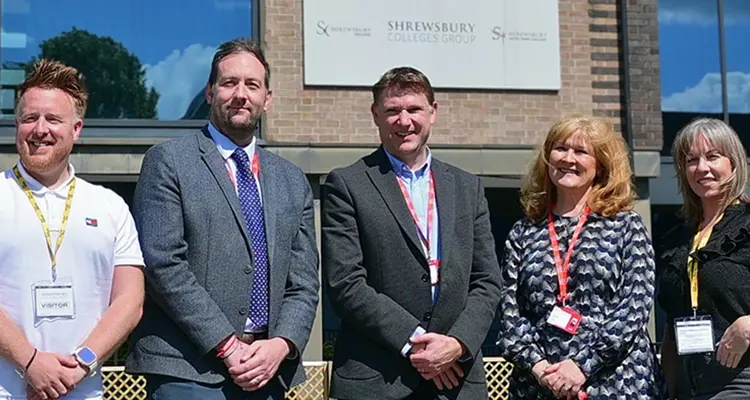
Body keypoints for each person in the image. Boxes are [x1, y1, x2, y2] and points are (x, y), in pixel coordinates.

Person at [125, 38, 320, 400]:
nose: (241, 94)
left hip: (267, 372)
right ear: (211, 92)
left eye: (252, 85)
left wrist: (281, 344)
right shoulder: (169, 161)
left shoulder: (292, 180)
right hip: (189, 372)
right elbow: (163, 264)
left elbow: (304, 282)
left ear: (268, 98)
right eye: (230, 83)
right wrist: (227, 346)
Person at [321, 66, 502, 400]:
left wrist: (457, 344)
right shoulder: (347, 184)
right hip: (377, 379)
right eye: (392, 111)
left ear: (433, 113)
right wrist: (415, 343)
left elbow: (487, 282)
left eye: (414, 109)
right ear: (376, 115)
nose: (404, 121)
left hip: (456, 379)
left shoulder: (468, 188)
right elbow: (345, 283)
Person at [0, 59, 145, 400]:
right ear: (16, 125)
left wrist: (79, 366)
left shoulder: (109, 206)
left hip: (83, 391)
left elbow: (130, 300)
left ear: (77, 129)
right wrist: (30, 362)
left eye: (53, 119)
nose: (40, 129)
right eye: (30, 118)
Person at [496, 115, 664, 399]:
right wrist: (539, 368)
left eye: (581, 151)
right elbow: (508, 310)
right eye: (560, 148)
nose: (568, 158)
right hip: (540, 386)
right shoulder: (524, 231)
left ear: (600, 166)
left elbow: (635, 305)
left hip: (616, 382)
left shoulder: (625, 225)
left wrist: (582, 366)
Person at [658, 118, 750, 399]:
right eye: (691, 160)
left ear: (733, 163)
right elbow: (672, 321)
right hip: (688, 383)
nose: (702, 168)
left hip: (740, 380)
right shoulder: (678, 238)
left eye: (713, 157)